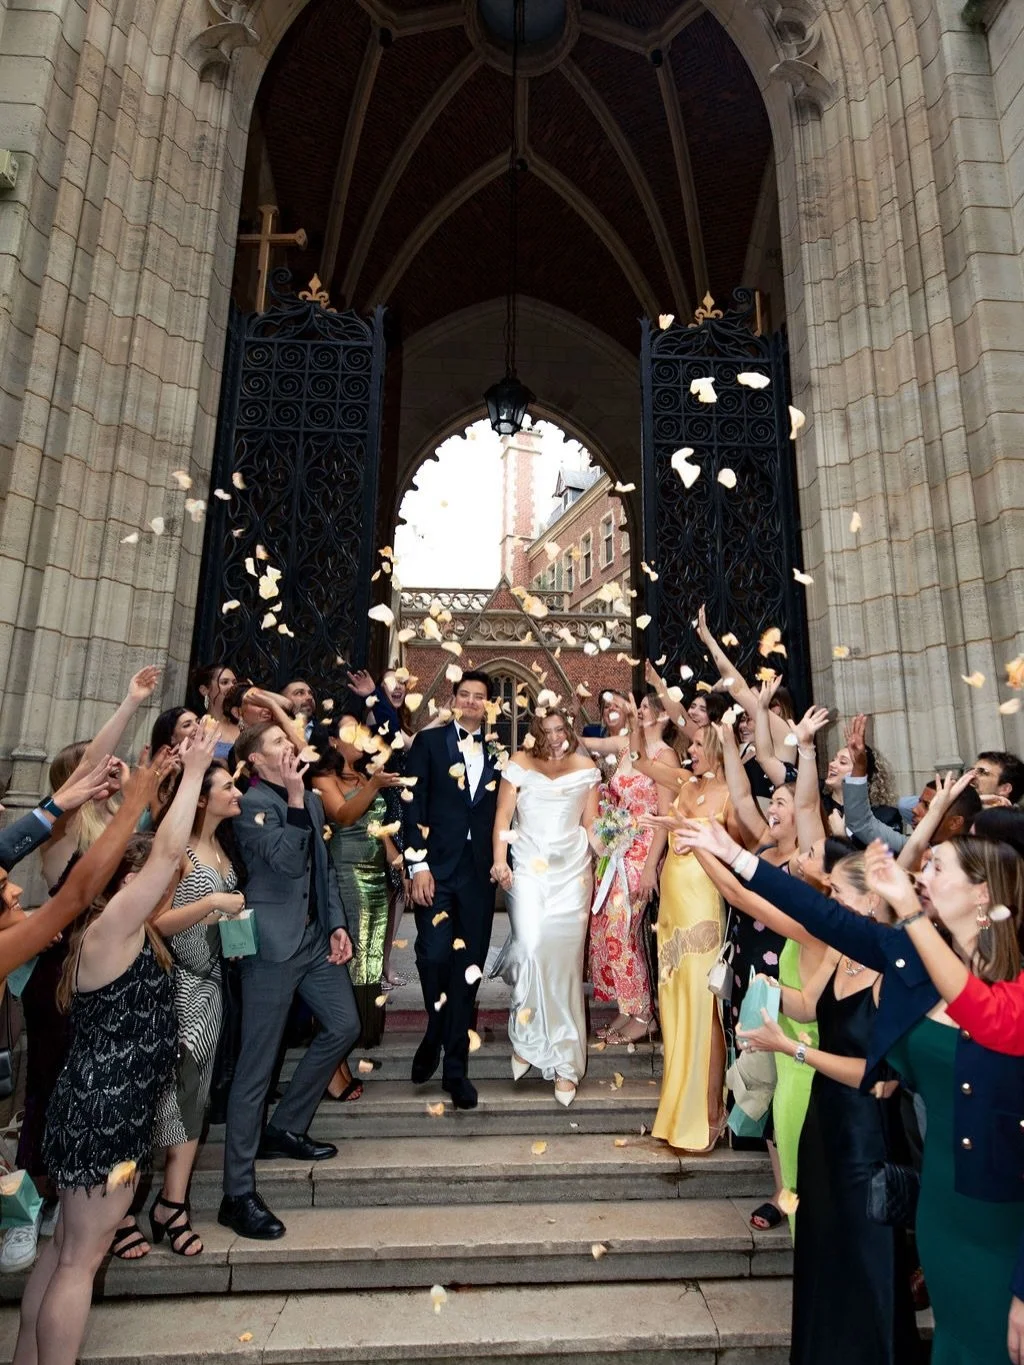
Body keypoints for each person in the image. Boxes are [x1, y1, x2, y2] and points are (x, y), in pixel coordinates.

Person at [677, 817, 1024, 1365]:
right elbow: (824, 916)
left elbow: (987, 1019)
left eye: (937, 867)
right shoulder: (915, 963)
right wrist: (736, 856)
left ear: (982, 893)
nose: (921, 874)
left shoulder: (1011, 983)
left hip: (1004, 1218)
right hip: (941, 1208)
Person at [13, 728, 216, 1365]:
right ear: (130, 879)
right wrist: (192, 776)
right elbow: (164, 853)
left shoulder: (117, 933)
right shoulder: (111, 930)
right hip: (105, 1116)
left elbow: (163, 859)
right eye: (167, 876)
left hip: (96, 1108)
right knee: (80, 1262)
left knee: (61, 1251)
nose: (172, 881)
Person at [736, 851, 922, 1363]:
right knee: (823, 1251)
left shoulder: (890, 969)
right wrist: (769, 991)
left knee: (867, 1256)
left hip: (867, 1134)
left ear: (868, 900)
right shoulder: (842, 956)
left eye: (839, 892)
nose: (831, 901)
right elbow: (809, 1007)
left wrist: (792, 1048)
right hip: (824, 1123)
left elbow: (874, 1074)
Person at [219, 723, 358, 1240]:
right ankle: (236, 1194)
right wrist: (299, 798)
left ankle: (285, 1127)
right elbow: (283, 857)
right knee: (256, 1068)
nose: (288, 746)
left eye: (288, 739)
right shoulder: (252, 803)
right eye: (276, 742)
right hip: (271, 950)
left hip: (314, 941)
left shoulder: (311, 802)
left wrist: (337, 923)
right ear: (255, 761)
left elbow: (324, 871)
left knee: (344, 1026)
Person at [632, 714, 746, 1153]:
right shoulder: (683, 783)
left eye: (698, 745)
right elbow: (640, 760)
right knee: (677, 1006)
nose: (690, 751)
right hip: (673, 910)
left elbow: (738, 854)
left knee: (704, 1008)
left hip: (703, 906)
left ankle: (710, 1114)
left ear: (717, 747)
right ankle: (677, 1112)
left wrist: (692, 835)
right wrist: (640, 722)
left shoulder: (731, 797)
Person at [149, 760, 247, 1258]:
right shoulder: (180, 852)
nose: (237, 790)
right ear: (202, 798)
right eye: (228, 785)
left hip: (212, 986)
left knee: (196, 1095)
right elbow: (155, 921)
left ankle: (174, 1200)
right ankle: (134, 1206)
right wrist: (216, 906)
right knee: (169, 1094)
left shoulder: (222, 849)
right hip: (178, 988)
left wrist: (231, 931)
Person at [492, 708, 601, 1106]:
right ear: (536, 731)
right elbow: (503, 814)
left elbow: (591, 826)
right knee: (532, 952)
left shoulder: (586, 767)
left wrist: (612, 845)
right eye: (547, 730)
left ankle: (566, 1062)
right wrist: (499, 859)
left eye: (560, 729)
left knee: (564, 965)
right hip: (529, 871)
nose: (554, 737)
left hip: (573, 876)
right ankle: (527, 1037)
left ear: (568, 731)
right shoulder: (519, 764)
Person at [403, 671, 501, 1111]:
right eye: (465, 695)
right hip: (435, 871)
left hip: (478, 876)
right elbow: (412, 804)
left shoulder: (500, 754)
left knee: (469, 969)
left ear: (490, 705)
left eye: (480, 697)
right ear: (454, 699)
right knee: (433, 955)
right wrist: (417, 864)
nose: (472, 702)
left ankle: (455, 1070)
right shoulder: (429, 744)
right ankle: (437, 1027)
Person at [312, 709, 404, 1052]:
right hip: (346, 870)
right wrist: (375, 786)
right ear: (334, 741)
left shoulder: (366, 776)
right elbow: (345, 815)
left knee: (373, 946)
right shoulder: (324, 778)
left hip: (376, 872)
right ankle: (345, 1029)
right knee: (353, 945)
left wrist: (396, 859)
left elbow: (376, 826)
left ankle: (369, 1029)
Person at [588, 691, 677, 1044]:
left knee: (621, 931)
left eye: (642, 709)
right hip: (617, 850)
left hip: (642, 853)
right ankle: (629, 1009)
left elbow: (665, 817)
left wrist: (651, 867)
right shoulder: (630, 750)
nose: (636, 713)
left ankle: (644, 1014)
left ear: (663, 717)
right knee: (606, 929)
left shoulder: (665, 756)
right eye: (636, 709)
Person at [192, 663, 238, 759]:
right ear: (204, 690)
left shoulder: (243, 725)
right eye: (225, 682)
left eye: (234, 682)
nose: (233, 687)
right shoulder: (196, 728)